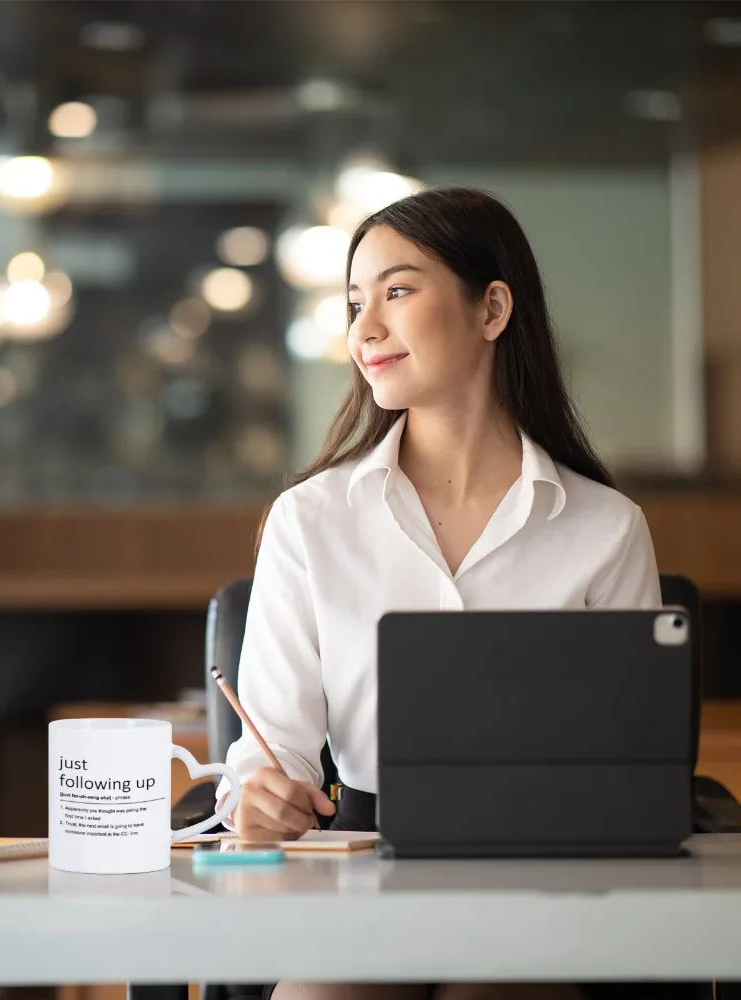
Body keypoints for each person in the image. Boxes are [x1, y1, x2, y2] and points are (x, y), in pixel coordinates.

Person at [219, 188, 664, 1000]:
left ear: (492, 308)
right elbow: (270, 752)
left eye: (396, 291)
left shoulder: (606, 528)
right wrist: (259, 798)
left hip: (545, 885)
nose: (364, 330)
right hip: (358, 879)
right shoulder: (309, 520)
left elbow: (635, 770)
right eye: (355, 303)